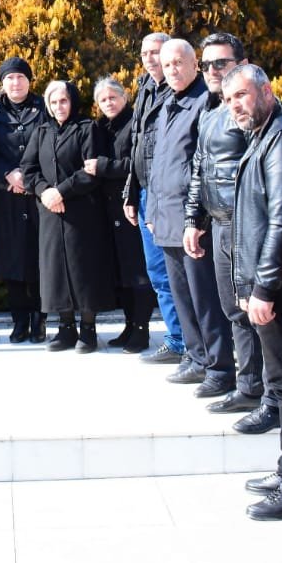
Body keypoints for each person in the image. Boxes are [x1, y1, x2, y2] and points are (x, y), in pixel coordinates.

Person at [215, 65, 282, 524]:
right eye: (229, 98)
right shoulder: (262, 134)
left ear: (267, 92)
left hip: (275, 287)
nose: (235, 104)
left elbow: (280, 217)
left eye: (242, 95)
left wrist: (263, 286)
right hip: (262, 281)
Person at [183, 35, 272, 427]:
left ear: (243, 63)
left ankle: (274, 395)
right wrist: (192, 219)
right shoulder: (210, 112)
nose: (214, 71)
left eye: (222, 63)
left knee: (260, 313)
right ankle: (249, 386)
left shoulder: (258, 111)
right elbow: (200, 166)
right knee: (233, 311)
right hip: (219, 226)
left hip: (249, 226)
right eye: (207, 65)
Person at [148, 40, 235, 398]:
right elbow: (159, 163)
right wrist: (152, 209)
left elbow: (202, 166)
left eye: (179, 63)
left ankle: (219, 366)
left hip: (193, 220)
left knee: (205, 299)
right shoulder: (169, 102)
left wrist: (196, 218)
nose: (172, 70)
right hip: (166, 217)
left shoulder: (205, 102)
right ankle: (196, 357)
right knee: (182, 297)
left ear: (194, 64)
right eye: (167, 65)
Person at [21, 80, 114, 352]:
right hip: (50, 212)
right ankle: (65, 328)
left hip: (82, 211)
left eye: (63, 101)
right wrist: (45, 193)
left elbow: (91, 170)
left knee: (83, 269)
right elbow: (28, 169)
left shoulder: (87, 128)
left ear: (72, 102)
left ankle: (88, 328)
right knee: (56, 271)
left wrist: (61, 192)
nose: (59, 106)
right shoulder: (41, 131)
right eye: (53, 102)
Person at [122, 32, 185, 363]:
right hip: (147, 193)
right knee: (159, 273)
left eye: (156, 52)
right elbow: (137, 146)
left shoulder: (181, 92)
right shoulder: (145, 88)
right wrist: (130, 192)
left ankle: (193, 342)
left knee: (180, 274)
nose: (149, 58)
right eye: (145, 52)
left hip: (171, 196)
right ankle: (177, 339)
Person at [0, 57, 47, 343]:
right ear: (2, 83)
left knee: (40, 258)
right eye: (9, 78)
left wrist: (30, 178)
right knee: (12, 259)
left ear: (30, 81)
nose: (15, 83)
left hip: (39, 195)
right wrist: (7, 173)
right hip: (6, 195)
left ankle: (39, 319)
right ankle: (19, 320)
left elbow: (52, 147)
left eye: (20, 77)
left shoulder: (44, 108)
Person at [85, 76, 153, 353]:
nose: (108, 103)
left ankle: (141, 329)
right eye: (102, 99)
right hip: (108, 209)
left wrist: (104, 166)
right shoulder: (100, 127)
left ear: (125, 97)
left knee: (138, 271)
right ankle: (128, 324)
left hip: (131, 206)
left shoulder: (135, 123)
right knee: (122, 273)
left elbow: (136, 163)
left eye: (113, 97)